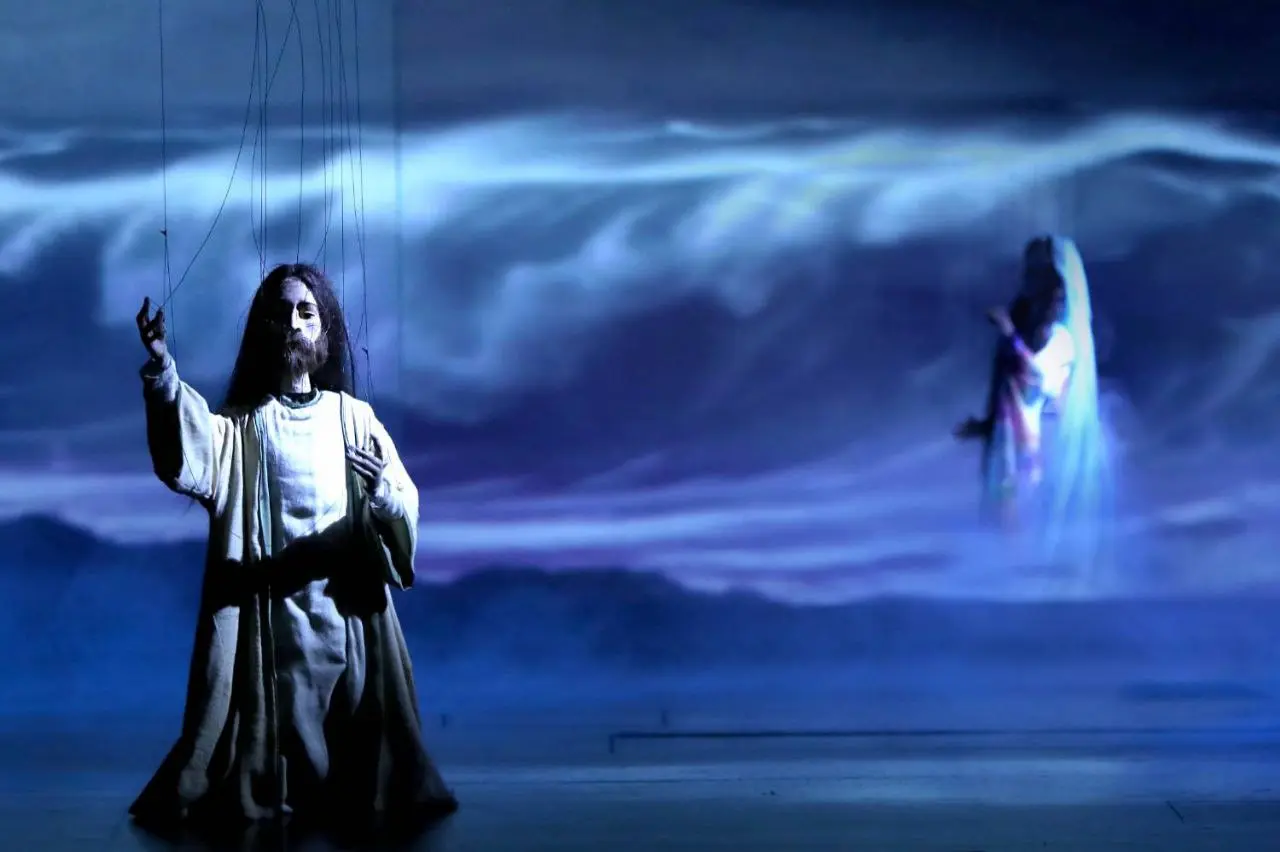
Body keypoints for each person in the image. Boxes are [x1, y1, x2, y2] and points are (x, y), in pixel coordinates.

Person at [128, 263, 457, 837]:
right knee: (278, 731)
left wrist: (384, 495)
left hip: (346, 612)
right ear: (264, 328)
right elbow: (189, 450)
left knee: (352, 731)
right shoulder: (240, 428)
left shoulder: (352, 418)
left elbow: (403, 496)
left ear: (324, 330)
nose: (294, 324)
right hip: (271, 621)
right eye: (281, 313)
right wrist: (162, 369)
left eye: (306, 312)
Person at [955, 235, 1111, 558]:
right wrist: (984, 426)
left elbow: (1038, 383)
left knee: (1019, 526)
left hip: (1029, 449)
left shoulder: (1061, 340)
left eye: (1053, 290)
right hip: (1004, 446)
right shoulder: (1024, 332)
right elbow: (1009, 393)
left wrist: (1011, 336)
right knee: (997, 524)